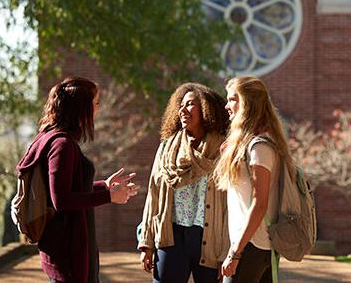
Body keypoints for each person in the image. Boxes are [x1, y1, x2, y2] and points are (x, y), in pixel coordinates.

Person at [16, 77, 140, 283]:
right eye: (96, 103)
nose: (98, 109)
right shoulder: (62, 145)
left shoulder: (48, 136)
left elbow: (64, 188)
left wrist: (104, 186)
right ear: (82, 108)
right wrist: (109, 196)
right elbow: (61, 200)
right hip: (68, 251)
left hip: (61, 248)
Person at [138, 82, 230, 283]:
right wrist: (146, 243)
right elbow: (153, 194)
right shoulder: (166, 148)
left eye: (190, 104)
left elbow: (229, 204)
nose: (183, 110)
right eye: (181, 105)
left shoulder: (223, 149)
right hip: (171, 234)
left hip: (210, 237)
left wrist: (227, 251)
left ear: (206, 109)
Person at [214, 76, 295, 283]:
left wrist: (235, 252)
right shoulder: (251, 145)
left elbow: (260, 204)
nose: (226, 106)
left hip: (252, 246)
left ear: (247, 104)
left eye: (233, 99)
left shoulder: (260, 147)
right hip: (254, 246)